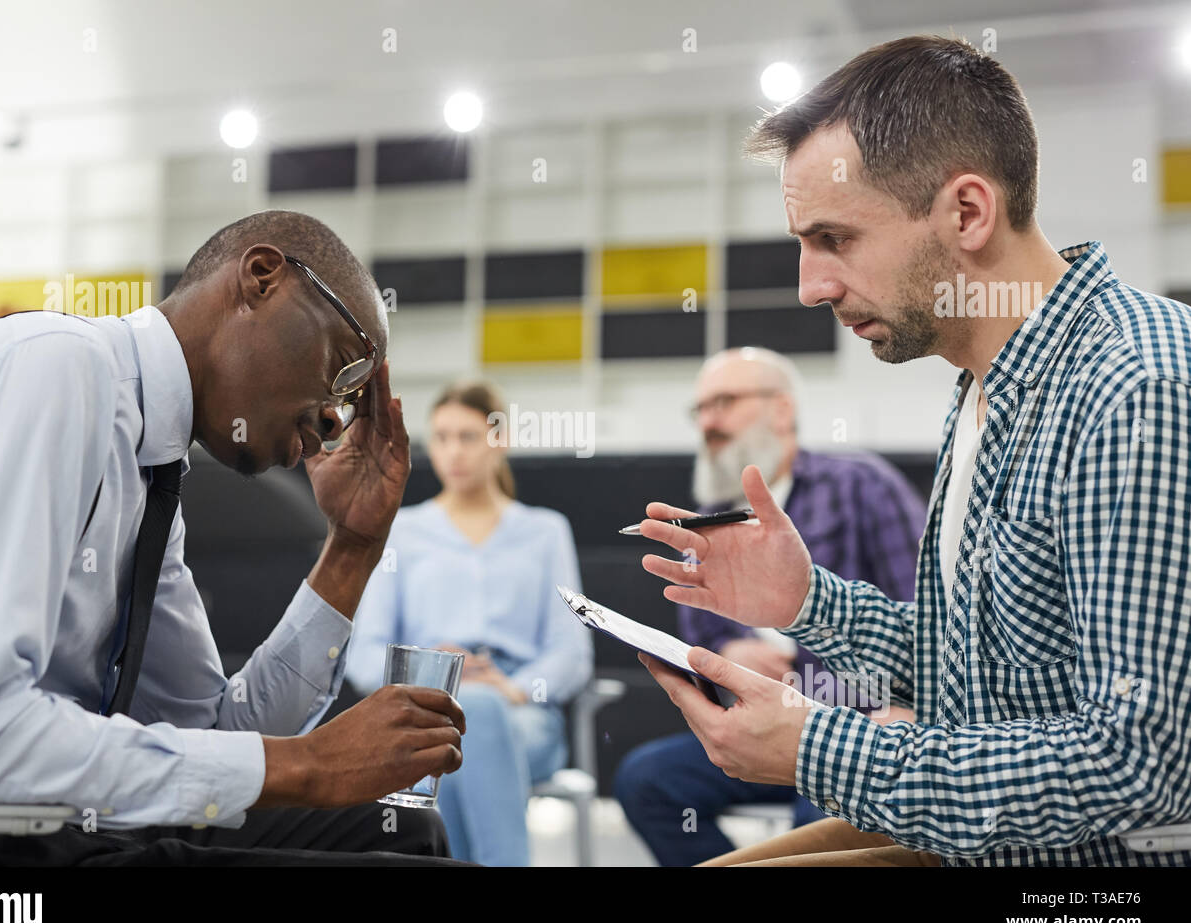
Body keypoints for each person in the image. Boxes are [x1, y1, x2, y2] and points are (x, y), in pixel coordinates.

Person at [636, 35, 1191, 866]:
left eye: (836, 239)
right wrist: (806, 602)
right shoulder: (984, 385)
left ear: (968, 213)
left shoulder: (1133, 388)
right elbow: (969, 677)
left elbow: (1144, 763)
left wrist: (818, 749)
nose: (810, 285)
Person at [0, 209, 469, 866]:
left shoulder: (150, 465)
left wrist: (352, 550)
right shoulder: (60, 368)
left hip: (39, 815)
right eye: (342, 367)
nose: (337, 417)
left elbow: (211, 736)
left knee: (405, 834)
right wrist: (308, 764)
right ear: (261, 277)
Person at [615, 346, 925, 865]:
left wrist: (904, 708)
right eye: (701, 410)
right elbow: (700, 626)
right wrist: (730, 646)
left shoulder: (861, 485)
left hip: (857, 722)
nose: (709, 422)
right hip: (757, 722)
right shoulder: (709, 517)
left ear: (781, 409)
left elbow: (921, 604)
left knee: (825, 814)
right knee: (646, 780)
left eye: (725, 402)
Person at [347, 381, 592, 866]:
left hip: (522, 714)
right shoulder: (405, 531)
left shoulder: (545, 531)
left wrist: (514, 688)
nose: (453, 452)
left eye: (467, 437)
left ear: (498, 441)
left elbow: (571, 651)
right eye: (441, 438)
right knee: (453, 731)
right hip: (427, 710)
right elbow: (363, 653)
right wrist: (430, 678)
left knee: (472, 721)